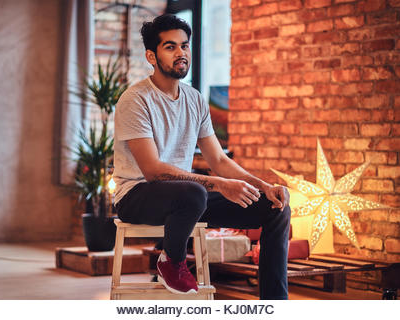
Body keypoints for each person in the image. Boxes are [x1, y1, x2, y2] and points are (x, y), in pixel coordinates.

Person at [113, 14, 291, 300]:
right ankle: (171, 262)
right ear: (151, 56)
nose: (181, 53)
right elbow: (152, 171)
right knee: (195, 192)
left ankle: (274, 304)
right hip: (136, 196)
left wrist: (264, 187)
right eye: (170, 47)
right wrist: (219, 184)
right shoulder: (135, 100)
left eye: (184, 46)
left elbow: (218, 160)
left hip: (186, 199)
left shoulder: (195, 99)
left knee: (275, 207)